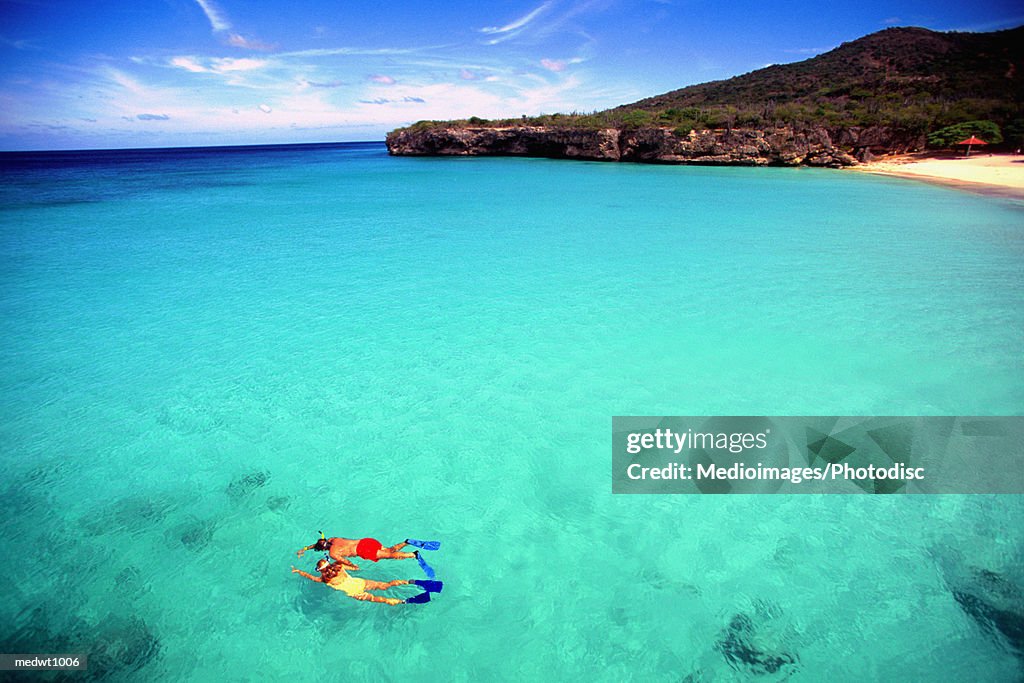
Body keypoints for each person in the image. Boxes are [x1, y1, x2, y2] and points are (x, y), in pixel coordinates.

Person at [291, 559, 442, 605]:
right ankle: (412, 581)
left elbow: (310, 577)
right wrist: (353, 567)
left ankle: (403, 601)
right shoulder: (339, 566)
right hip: (360, 582)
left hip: (355, 592)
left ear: (321, 571)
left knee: (380, 599)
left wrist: (298, 571)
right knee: (386, 584)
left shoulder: (324, 579)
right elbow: (354, 567)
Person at [296, 533, 438, 567]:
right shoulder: (333, 539)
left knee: (390, 556)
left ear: (322, 550)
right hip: (366, 541)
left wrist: (353, 566)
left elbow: (344, 561)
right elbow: (319, 543)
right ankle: (406, 542)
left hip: (364, 551)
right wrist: (305, 548)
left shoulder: (333, 553)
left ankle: (413, 555)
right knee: (389, 550)